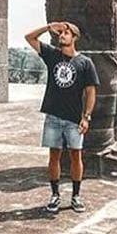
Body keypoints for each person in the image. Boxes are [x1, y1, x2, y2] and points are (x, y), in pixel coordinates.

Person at [25, 21, 99, 213]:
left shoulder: (85, 63)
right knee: (54, 156)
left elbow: (91, 92)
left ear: (74, 37)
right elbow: (29, 38)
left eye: (66, 33)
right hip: (53, 116)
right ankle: (55, 194)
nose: (62, 36)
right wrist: (48, 27)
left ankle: (75, 195)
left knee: (76, 156)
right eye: (61, 33)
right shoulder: (52, 56)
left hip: (74, 118)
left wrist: (87, 117)